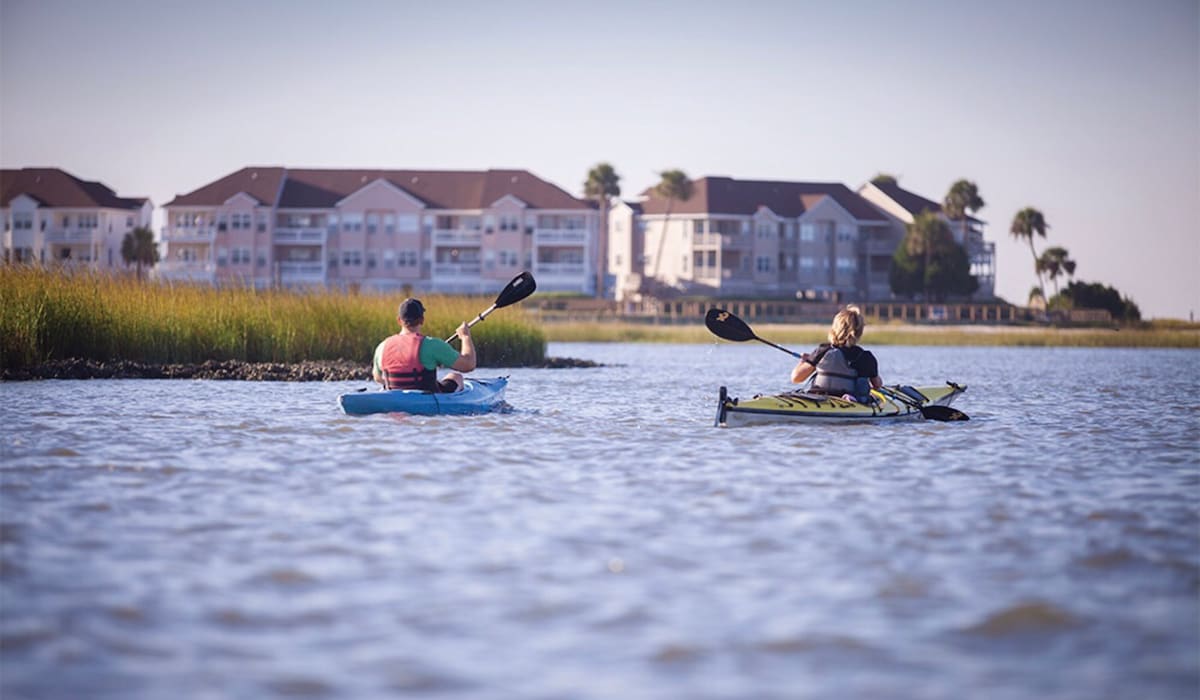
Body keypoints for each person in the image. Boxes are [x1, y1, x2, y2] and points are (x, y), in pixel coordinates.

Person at [372, 298, 476, 392]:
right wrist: (465, 337)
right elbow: (468, 365)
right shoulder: (433, 345)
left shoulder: (382, 346)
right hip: (427, 399)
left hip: (394, 398)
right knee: (456, 377)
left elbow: (378, 377)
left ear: (399, 320)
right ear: (422, 320)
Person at [791, 304, 882, 402]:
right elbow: (877, 385)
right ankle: (852, 398)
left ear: (834, 328)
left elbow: (796, 378)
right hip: (847, 402)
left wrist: (803, 361)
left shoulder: (822, 351)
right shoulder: (865, 357)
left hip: (818, 398)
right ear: (859, 331)